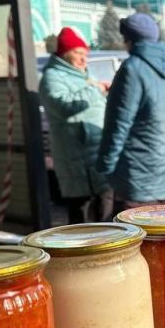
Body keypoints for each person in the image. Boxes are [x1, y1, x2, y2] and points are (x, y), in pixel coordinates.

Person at [98, 13, 165, 213]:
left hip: (137, 170)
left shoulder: (131, 69)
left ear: (128, 40)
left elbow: (118, 124)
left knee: (137, 236)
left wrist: (105, 165)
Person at [39, 27, 111, 223]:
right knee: (82, 217)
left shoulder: (83, 74)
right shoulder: (52, 77)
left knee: (106, 214)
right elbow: (63, 106)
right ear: (65, 53)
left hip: (97, 155)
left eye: (85, 54)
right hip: (77, 161)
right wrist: (96, 89)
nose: (83, 59)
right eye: (78, 53)